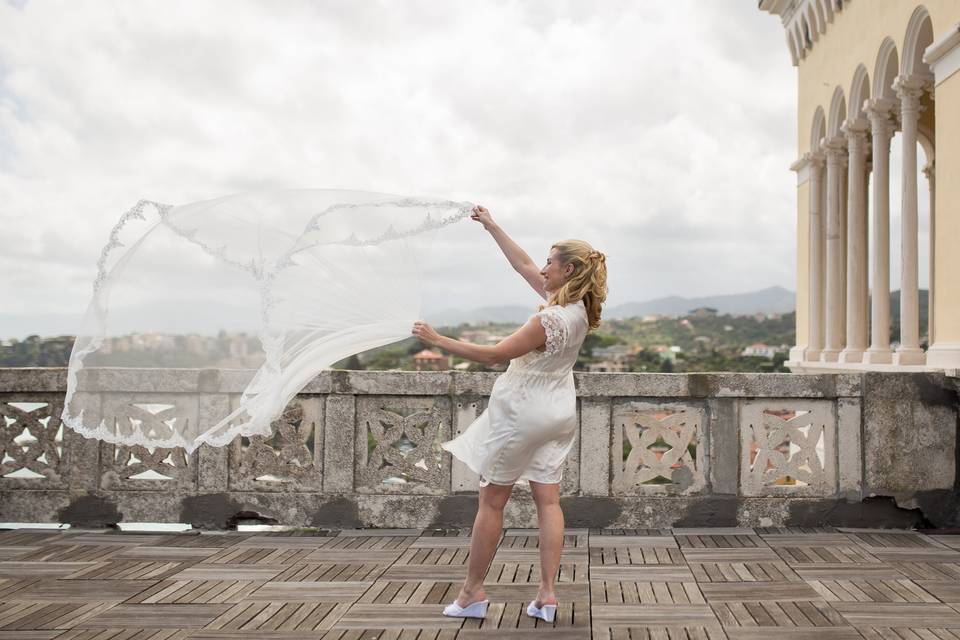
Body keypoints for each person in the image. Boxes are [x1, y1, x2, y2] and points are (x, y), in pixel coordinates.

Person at [410, 204, 608, 623]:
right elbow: (522, 265)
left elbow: (495, 354)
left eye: (550, 262)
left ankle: (471, 594)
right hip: (558, 413)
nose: (542, 268)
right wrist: (493, 226)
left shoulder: (551, 316)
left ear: (568, 269)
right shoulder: (579, 308)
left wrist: (435, 337)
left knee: (492, 500)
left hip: (523, 413)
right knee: (548, 501)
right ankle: (547, 596)